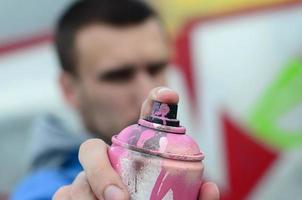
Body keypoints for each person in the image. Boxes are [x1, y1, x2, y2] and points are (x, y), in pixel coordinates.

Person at [12, 0, 219, 199]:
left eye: (156, 68)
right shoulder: (44, 191)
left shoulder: (183, 168)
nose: (147, 91)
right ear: (70, 90)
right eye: (119, 76)